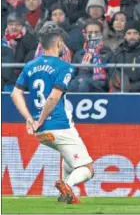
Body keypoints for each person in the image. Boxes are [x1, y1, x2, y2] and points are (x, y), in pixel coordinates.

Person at [10, 21, 95, 204]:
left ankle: (64, 194)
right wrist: (40, 119)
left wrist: (30, 119)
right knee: (87, 168)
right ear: (58, 42)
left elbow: (15, 93)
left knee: (68, 156)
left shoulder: (30, 66)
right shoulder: (64, 67)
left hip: (41, 131)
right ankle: (68, 187)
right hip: (59, 125)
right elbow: (53, 98)